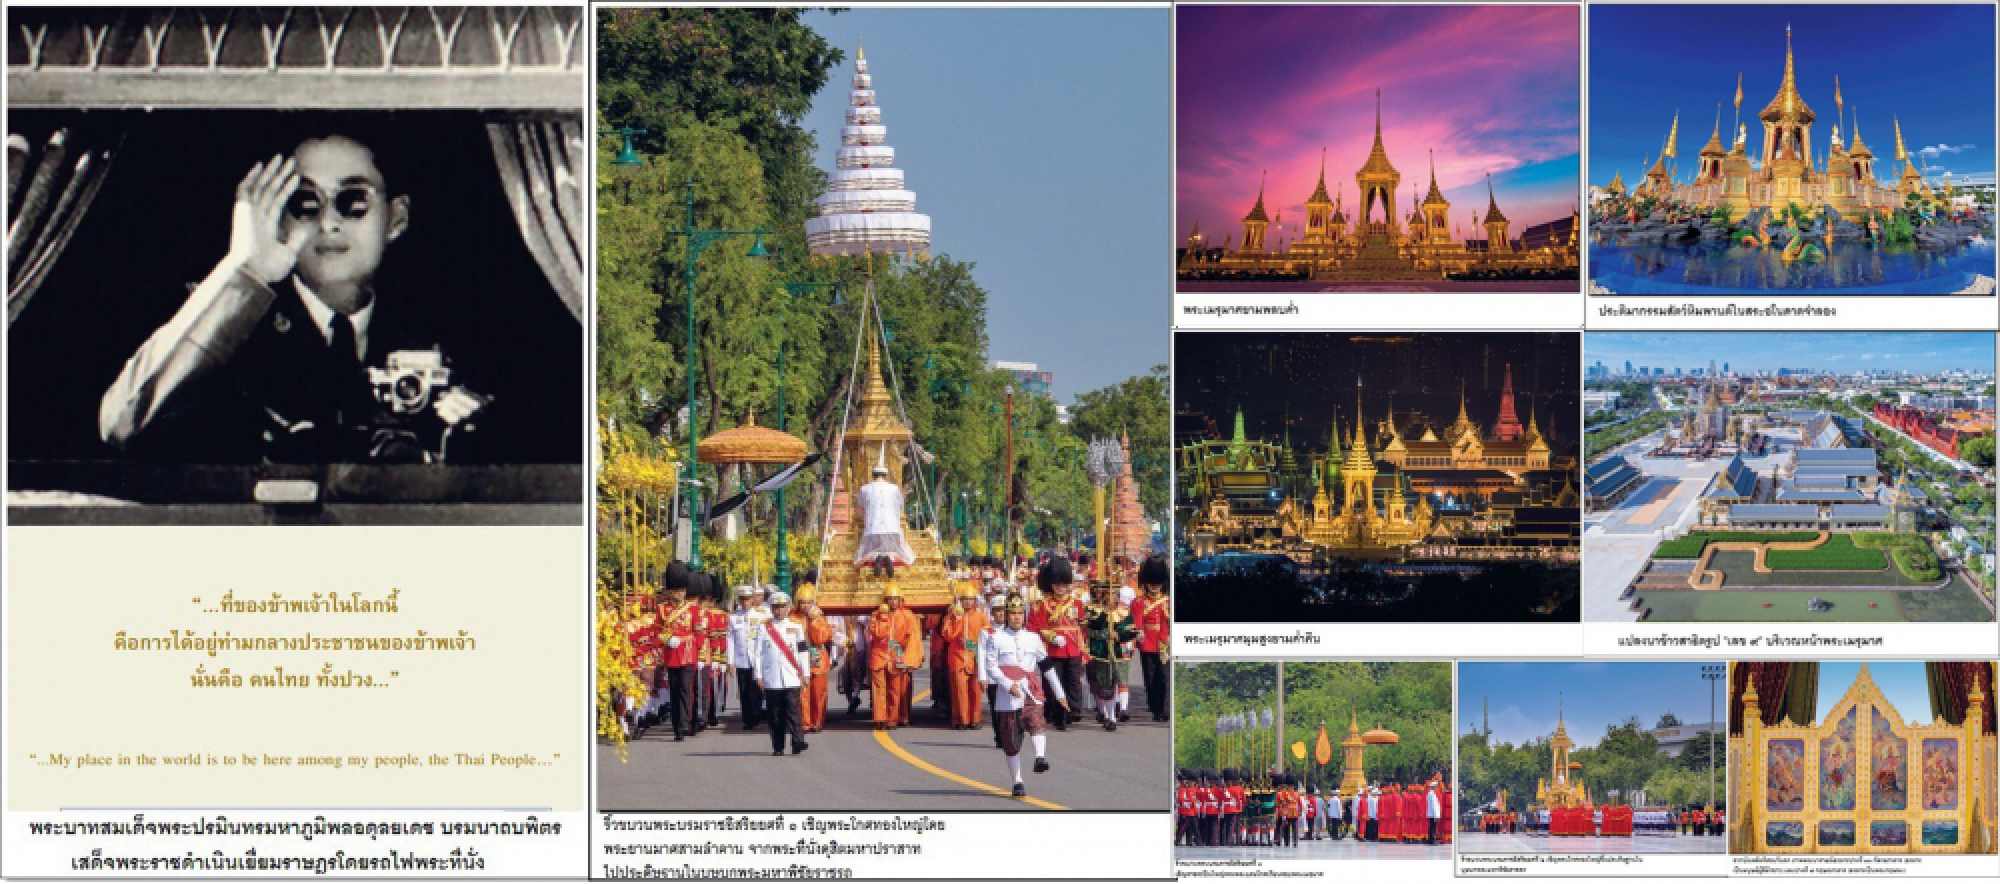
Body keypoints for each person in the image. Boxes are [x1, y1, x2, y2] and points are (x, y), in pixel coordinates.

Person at [98, 136, 491, 464]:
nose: (328, 223)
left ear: (396, 218)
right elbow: (123, 424)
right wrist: (245, 268)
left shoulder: (444, 328)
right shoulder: (228, 318)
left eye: (353, 201)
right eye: (305, 203)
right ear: (278, 217)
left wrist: (467, 432)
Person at [978, 594, 1065, 797]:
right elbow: (991, 667)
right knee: (1011, 742)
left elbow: (1046, 666)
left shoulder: (1033, 638)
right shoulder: (996, 638)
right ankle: (1017, 781)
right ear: (1007, 616)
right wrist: (1008, 685)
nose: (1016, 617)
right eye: (1013, 614)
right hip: (1007, 696)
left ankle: (1040, 758)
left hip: (1030, 691)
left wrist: (1060, 693)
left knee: (1036, 721)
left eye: (1019, 613)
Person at [1026, 558, 1086, 730]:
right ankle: (1059, 714)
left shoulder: (1076, 603)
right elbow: (1033, 627)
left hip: (1073, 647)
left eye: (1063, 584)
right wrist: (1051, 637)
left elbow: (1081, 625)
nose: (1060, 588)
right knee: (1055, 683)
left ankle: (1074, 710)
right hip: (1053, 649)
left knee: (1073, 681)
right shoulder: (1042, 605)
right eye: (1057, 584)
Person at [749, 591, 810, 757]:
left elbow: (803, 652)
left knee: (793, 711)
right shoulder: (763, 628)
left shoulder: (796, 627)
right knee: (775, 714)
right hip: (772, 677)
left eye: (782, 607)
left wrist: (805, 673)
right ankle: (778, 746)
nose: (779, 611)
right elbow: (757, 653)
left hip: (792, 676)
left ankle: (798, 741)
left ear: (788, 608)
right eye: (775, 607)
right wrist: (758, 675)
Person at [1083, 582, 1138, 731]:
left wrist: (1119, 635)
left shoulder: (1124, 614)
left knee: (1116, 684)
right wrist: (1105, 633)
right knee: (1103, 687)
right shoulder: (1094, 613)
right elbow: (1090, 630)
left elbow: (1132, 632)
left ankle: (1113, 716)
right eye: (1105, 595)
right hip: (1100, 654)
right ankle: (1107, 715)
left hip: (1118, 655)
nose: (1109, 599)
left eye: (1112, 596)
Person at [868, 585, 923, 729]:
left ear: (900, 600)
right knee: (879, 689)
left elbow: (911, 637)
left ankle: (892, 719)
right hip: (879, 656)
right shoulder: (876, 615)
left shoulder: (907, 615)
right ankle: (880, 719)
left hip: (897, 656)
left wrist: (911, 658)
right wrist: (883, 618)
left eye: (895, 599)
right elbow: (876, 633)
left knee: (895, 690)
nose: (893, 602)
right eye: (890, 599)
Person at [656, 565, 701, 742]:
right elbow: (657, 631)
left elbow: (699, 633)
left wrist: (699, 653)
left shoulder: (693, 610)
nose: (678, 594)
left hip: (688, 655)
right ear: (670, 591)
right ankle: (676, 726)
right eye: (675, 590)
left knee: (685, 689)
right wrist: (667, 640)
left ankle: (684, 723)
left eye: (681, 590)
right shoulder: (662, 610)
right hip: (672, 654)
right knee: (674, 691)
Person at [854, 455, 916, 578]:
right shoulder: (894, 488)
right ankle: (888, 558)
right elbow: (899, 508)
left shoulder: (864, 489)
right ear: (886, 475)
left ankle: (878, 557)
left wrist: (865, 519)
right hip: (892, 528)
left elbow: (859, 509)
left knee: (868, 552)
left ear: (873, 475)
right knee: (898, 551)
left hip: (872, 529)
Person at [942, 582, 987, 730]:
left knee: (975, 691)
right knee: (959, 692)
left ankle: (975, 719)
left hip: (975, 658)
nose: (968, 601)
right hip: (958, 657)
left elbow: (988, 637)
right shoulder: (952, 616)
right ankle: (961, 719)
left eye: (970, 599)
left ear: (975, 600)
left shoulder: (981, 616)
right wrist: (956, 619)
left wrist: (976, 647)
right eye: (965, 599)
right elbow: (947, 635)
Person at [1130, 558, 1170, 723]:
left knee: (1165, 678)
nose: (1154, 586)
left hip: (1164, 643)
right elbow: (1137, 620)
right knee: (1151, 677)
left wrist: (1165, 639)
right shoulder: (1139, 602)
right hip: (1146, 642)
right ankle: (1155, 708)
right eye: (1152, 583)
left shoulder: (1167, 602)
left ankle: (1165, 708)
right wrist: (1138, 632)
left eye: (1157, 583)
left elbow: (1168, 623)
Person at [726, 586, 770, 729]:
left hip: (756, 658)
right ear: (740, 600)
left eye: (748, 599)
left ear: (752, 600)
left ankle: (756, 715)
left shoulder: (761, 616)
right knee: (744, 690)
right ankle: (747, 718)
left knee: (756, 689)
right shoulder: (734, 618)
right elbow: (730, 640)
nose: (745, 603)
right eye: (743, 600)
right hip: (742, 659)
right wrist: (730, 661)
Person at [794, 582, 835, 734]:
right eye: (802, 602)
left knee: (818, 693)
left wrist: (814, 621)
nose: (805, 606)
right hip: (799, 660)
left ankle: (817, 722)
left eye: (808, 602)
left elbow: (821, 639)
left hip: (817, 659)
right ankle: (805, 722)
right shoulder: (792, 618)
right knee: (802, 694)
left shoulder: (819, 618)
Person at [1425, 780, 1442, 845]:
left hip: (1431, 814)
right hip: (1433, 814)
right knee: (1433, 828)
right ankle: (1432, 841)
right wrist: (1436, 815)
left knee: (1431, 827)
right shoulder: (1432, 795)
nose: (1436, 788)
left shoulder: (1429, 794)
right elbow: (1434, 806)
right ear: (1433, 787)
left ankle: (1430, 840)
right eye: (1435, 787)